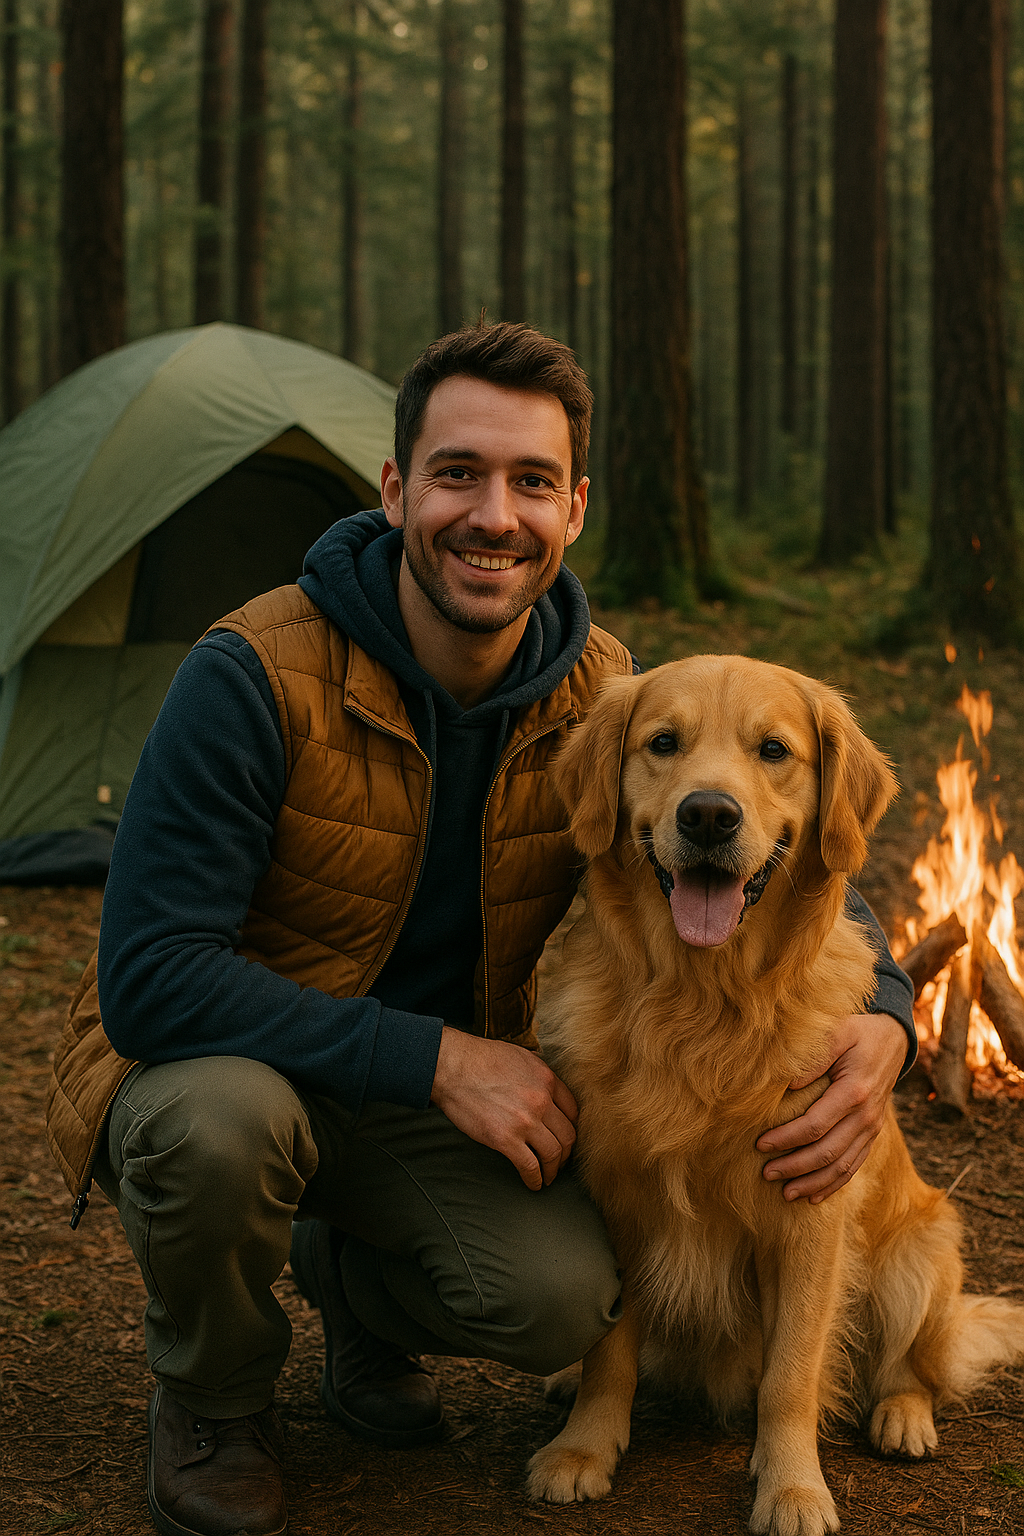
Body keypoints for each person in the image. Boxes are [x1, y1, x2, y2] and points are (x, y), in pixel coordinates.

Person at [45, 322, 915, 1536]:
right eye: (457, 473)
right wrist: (442, 1059)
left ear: (572, 510)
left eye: (531, 482)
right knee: (218, 1128)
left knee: (565, 1298)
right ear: (396, 488)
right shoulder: (249, 673)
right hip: (246, 1068)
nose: (491, 513)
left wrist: (887, 1017)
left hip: (418, 1115)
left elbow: (749, 837)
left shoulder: (602, 693)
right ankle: (213, 1399)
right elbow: (149, 979)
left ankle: (353, 1290)